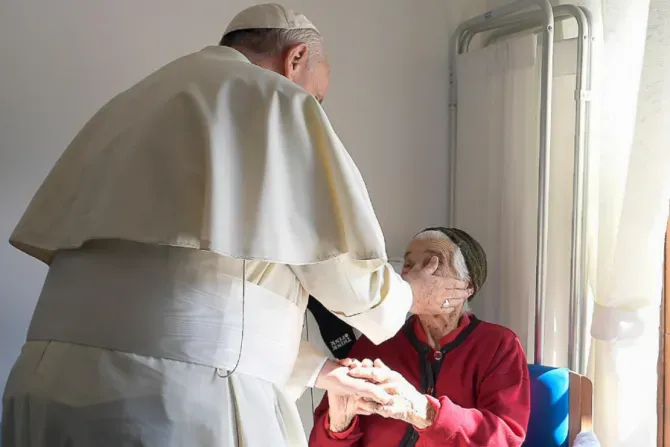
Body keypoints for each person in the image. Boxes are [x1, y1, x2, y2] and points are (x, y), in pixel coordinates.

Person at [0, 4, 472, 447]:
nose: (316, 106)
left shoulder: (131, 103)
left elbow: (193, 289)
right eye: (319, 95)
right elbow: (343, 275)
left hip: (45, 386)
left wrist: (319, 369)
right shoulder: (276, 100)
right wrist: (411, 295)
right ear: (297, 59)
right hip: (166, 403)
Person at [309, 227, 531, 446]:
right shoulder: (377, 341)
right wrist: (338, 426)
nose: (414, 275)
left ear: (467, 286)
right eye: (408, 265)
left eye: (432, 264)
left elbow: (504, 438)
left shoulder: (497, 345)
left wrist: (423, 411)